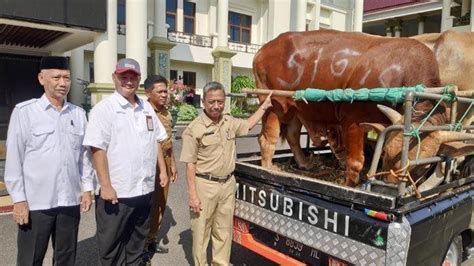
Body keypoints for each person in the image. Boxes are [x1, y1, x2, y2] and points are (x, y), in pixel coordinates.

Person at [4, 56, 93, 266]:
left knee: (66, 257)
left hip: (69, 201)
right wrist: (18, 200)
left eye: (67, 78)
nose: (62, 83)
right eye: (56, 77)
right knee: (30, 258)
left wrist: (87, 188)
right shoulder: (25, 112)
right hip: (36, 202)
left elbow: (84, 157)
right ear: (41, 78)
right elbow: (15, 159)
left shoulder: (78, 114)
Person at [83, 58, 169, 265]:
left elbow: (157, 139)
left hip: (143, 190)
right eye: (124, 77)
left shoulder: (146, 109)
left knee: (137, 242)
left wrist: (163, 170)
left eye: (133, 77)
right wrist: (105, 185)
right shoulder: (104, 109)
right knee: (111, 246)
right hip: (117, 193)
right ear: (115, 78)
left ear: (139, 79)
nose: (128, 81)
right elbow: (97, 148)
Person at [180, 81, 272, 265]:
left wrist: (265, 106)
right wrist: (192, 195)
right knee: (201, 232)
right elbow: (190, 164)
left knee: (223, 230)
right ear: (203, 102)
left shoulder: (229, 121)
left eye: (220, 102)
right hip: (204, 185)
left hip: (227, 184)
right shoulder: (194, 129)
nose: (216, 106)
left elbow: (248, 125)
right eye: (212, 102)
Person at [143, 75, 178, 255]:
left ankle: (151, 239)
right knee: (146, 204)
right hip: (149, 164)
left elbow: (168, 142)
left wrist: (172, 164)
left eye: (166, 91)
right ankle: (140, 244)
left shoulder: (166, 112)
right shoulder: (143, 112)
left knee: (160, 202)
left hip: (164, 160)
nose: (165, 95)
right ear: (148, 93)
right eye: (160, 91)